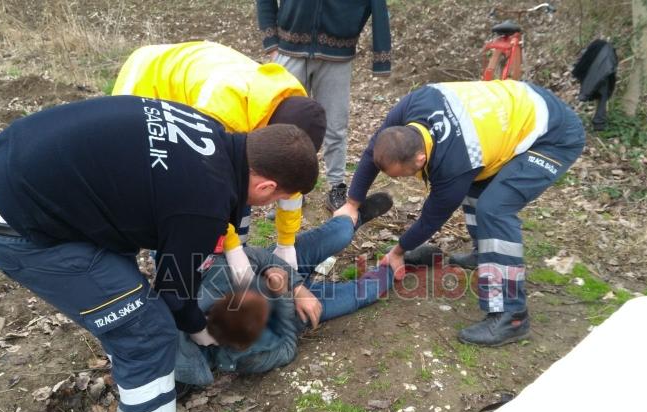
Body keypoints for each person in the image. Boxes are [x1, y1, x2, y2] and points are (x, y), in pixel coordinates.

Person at [0, 95, 318, 412]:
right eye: (274, 201)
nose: (266, 206)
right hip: (16, 220)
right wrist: (202, 333)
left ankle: (140, 376)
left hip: (12, 167)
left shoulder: (209, 130)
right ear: (267, 187)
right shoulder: (206, 201)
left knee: (132, 307)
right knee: (147, 332)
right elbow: (174, 296)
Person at [335, 80, 585, 347]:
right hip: (513, 113)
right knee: (478, 185)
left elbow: (432, 217)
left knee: (495, 209)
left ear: (420, 160)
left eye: (403, 175)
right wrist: (352, 203)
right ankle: (486, 255)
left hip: (554, 135)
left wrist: (398, 252)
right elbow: (373, 152)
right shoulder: (410, 107)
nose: (401, 180)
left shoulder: (455, 163)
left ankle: (512, 316)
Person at [112, 40, 327, 305]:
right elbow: (205, 187)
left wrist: (286, 241)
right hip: (147, 84)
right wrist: (233, 249)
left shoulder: (295, 107)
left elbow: (287, 182)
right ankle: (168, 280)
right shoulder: (221, 114)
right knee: (172, 203)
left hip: (203, 76)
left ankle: (221, 264)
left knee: (241, 191)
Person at [172, 192, 395, 386]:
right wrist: (285, 298)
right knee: (362, 295)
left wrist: (293, 283)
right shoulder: (244, 357)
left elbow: (256, 256)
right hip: (297, 312)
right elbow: (287, 349)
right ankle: (396, 266)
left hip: (280, 266)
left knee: (340, 234)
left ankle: (352, 219)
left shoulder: (205, 284)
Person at [256, 0, 392, 212]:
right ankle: (288, 189)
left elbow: (378, 5)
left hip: (337, 55)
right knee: (283, 126)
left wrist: (381, 55)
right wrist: (271, 42)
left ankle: (336, 186)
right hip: (288, 49)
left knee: (336, 125)